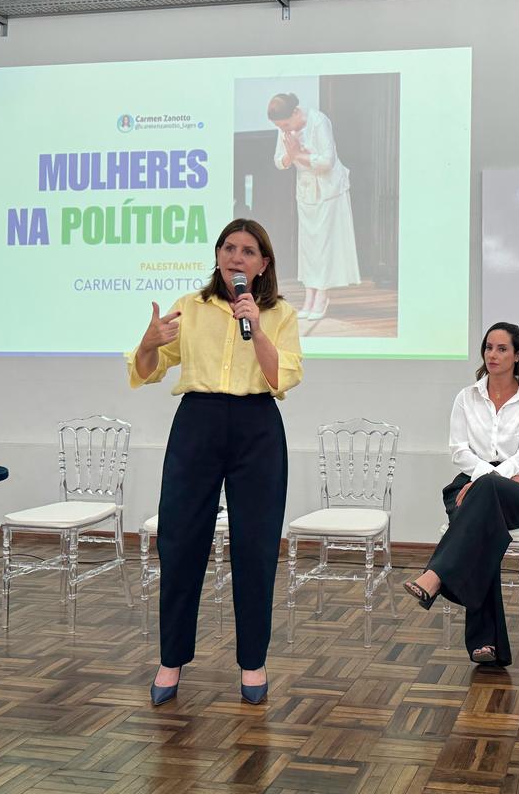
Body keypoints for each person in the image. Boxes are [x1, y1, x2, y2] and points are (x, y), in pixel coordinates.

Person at [128, 218, 303, 706]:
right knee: (181, 542)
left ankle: (253, 661)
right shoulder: (191, 308)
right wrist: (146, 343)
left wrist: (258, 328)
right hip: (198, 424)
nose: (236, 258)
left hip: (257, 428)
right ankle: (171, 659)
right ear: (218, 255)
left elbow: (280, 378)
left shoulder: (280, 313)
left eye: (248, 251)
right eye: (229, 248)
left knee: (256, 547)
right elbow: (147, 371)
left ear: (263, 264)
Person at [403, 322, 519, 666]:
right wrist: (486, 479)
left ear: (517, 355)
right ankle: (488, 646)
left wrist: (485, 480)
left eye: (501, 349)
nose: (493, 355)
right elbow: (458, 449)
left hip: (518, 490)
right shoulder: (466, 397)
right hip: (470, 484)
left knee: (483, 505)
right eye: (488, 348)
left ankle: (436, 575)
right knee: (486, 534)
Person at [267, 92, 361, 320]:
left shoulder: (319, 121)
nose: (285, 129)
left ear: (296, 112)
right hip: (306, 190)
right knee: (309, 245)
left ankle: (322, 294)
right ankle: (309, 294)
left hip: (330, 189)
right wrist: (291, 155)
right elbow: (279, 161)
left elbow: (327, 161)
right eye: (281, 127)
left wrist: (299, 153)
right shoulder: (284, 129)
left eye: (287, 124)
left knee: (324, 244)